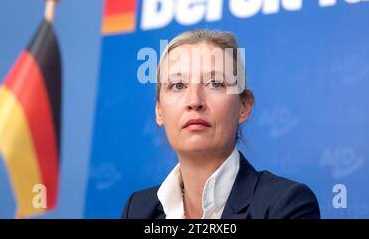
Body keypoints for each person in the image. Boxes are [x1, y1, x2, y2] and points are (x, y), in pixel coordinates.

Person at [121, 29, 320, 219]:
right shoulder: (138, 209)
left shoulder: (286, 204)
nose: (194, 101)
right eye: (178, 85)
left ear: (244, 106)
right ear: (159, 111)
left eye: (215, 83)